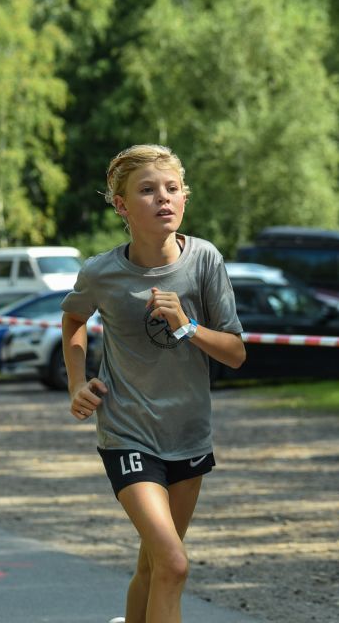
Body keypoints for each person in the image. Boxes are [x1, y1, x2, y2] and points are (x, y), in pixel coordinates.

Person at [60, 144, 246, 623]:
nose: (163, 198)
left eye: (172, 188)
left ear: (184, 197)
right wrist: (78, 382)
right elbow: (74, 318)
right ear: (122, 205)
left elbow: (235, 352)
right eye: (148, 190)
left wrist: (187, 325)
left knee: (153, 566)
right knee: (174, 563)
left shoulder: (204, 260)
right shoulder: (101, 272)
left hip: (188, 435)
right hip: (128, 434)